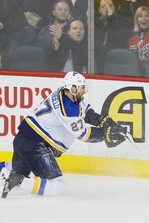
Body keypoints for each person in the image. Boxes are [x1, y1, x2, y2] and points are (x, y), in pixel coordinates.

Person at [1, 71, 132, 198]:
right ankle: (17, 180)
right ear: (73, 88)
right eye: (81, 88)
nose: (83, 91)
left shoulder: (65, 93)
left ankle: (9, 172)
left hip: (23, 138)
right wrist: (107, 134)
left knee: (21, 169)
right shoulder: (67, 110)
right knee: (57, 186)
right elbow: (85, 135)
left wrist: (103, 120)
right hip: (35, 146)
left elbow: (86, 111)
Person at [126, 5, 149, 72]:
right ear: (136, 19)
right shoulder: (132, 34)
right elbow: (126, 56)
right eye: (140, 16)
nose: (144, 19)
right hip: (137, 70)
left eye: (146, 16)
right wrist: (129, 51)